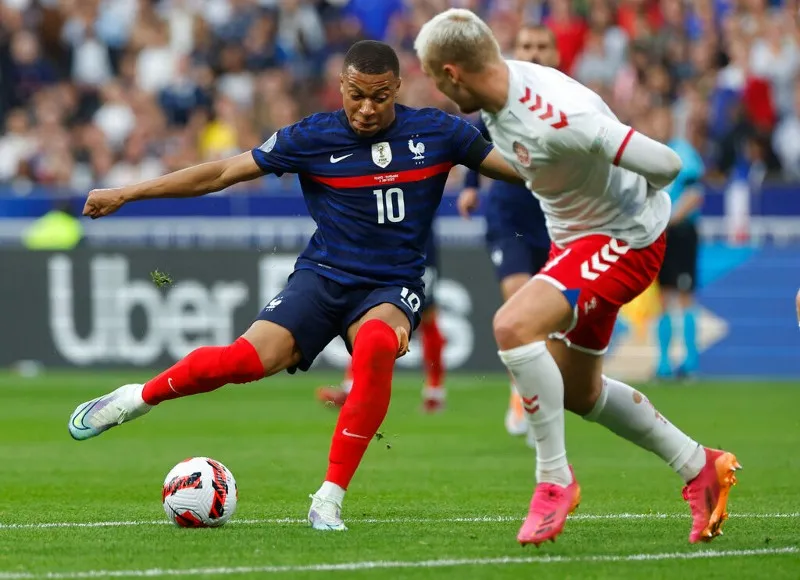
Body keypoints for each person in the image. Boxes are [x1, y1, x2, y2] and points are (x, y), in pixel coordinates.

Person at [67, 40, 520, 532]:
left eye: (380, 96)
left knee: (374, 345)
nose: (367, 108)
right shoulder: (311, 136)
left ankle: (328, 499)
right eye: (356, 95)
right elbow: (220, 172)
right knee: (242, 362)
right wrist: (126, 193)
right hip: (323, 276)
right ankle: (137, 398)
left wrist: (594, 169)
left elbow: (519, 171)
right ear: (341, 86)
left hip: (392, 284)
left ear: (397, 89)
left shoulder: (439, 131)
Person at [414, 9, 741, 547]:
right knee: (576, 391)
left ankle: (553, 481)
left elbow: (664, 164)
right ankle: (700, 465)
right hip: (584, 238)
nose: (436, 88)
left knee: (512, 326)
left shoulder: (559, 119)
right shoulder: (498, 83)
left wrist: (630, 203)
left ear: (452, 73)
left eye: (432, 76)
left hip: (622, 241)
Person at [457, 23, 556, 444]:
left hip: (556, 219)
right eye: (526, 45)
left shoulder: (567, 98)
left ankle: (540, 401)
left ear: (554, 53)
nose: (533, 53)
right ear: (514, 51)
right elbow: (472, 141)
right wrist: (469, 188)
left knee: (548, 322)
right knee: (519, 310)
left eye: (541, 46)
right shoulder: (500, 98)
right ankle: (521, 393)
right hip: (509, 219)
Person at [316, 232, 448, 413]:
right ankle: (352, 386)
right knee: (366, 307)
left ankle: (435, 391)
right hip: (381, 238)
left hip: (416, 238)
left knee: (426, 311)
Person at [647, 108, 705, 380]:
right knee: (662, 297)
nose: (659, 125)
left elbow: (695, 194)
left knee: (684, 296)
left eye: (664, 119)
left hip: (680, 233)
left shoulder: (684, 152)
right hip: (660, 234)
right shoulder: (647, 152)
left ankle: (690, 363)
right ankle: (663, 363)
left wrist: (668, 219)